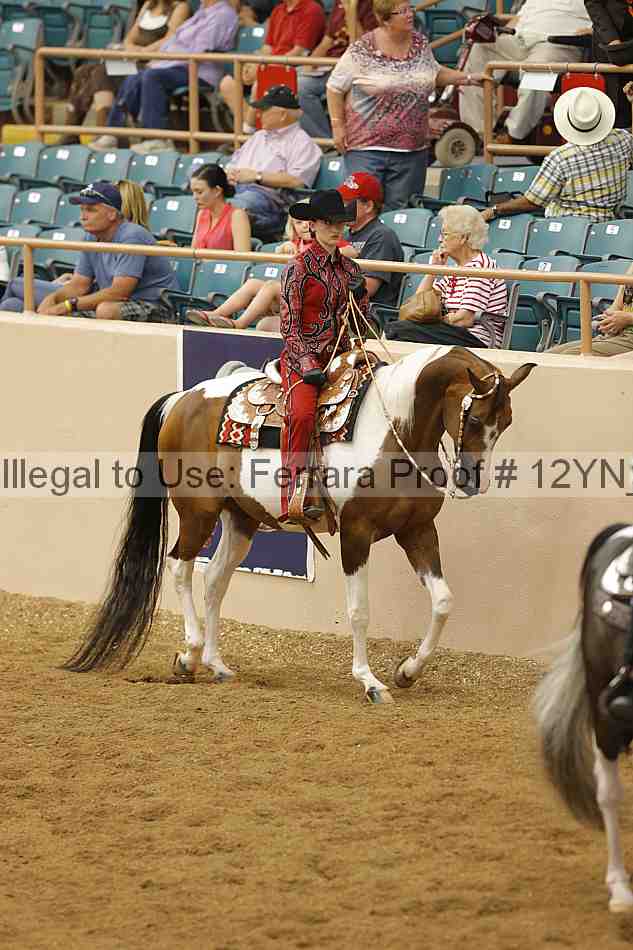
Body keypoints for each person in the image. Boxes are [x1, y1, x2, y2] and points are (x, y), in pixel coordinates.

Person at [325, 0, 484, 211]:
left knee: (404, 215)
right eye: (401, 12)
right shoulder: (362, 49)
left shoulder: (420, 44)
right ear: (384, 20)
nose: (410, 14)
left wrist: (469, 78)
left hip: (412, 150)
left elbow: (433, 73)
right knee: (360, 213)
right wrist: (337, 126)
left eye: (410, 9)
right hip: (367, 149)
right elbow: (334, 87)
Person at [278, 189, 368, 526]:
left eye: (339, 223)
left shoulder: (351, 269)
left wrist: (361, 297)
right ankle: (293, 495)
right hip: (304, 359)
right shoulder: (297, 269)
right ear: (312, 225)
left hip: (343, 355)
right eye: (328, 223)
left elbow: (362, 324)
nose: (335, 229)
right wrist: (306, 363)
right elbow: (289, 326)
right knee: (302, 415)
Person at [3, 182, 178, 321]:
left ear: (112, 214)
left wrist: (66, 305)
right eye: (82, 209)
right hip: (113, 302)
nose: (83, 216)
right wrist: (53, 299)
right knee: (13, 305)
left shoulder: (132, 235)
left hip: (156, 305)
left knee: (105, 310)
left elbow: (120, 292)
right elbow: (79, 285)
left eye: (91, 210)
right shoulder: (91, 236)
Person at [92, 0, 239, 154]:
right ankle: (113, 132)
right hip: (173, 64)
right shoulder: (201, 12)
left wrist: (161, 59)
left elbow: (198, 50)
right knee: (128, 74)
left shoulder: (222, 14)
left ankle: (156, 139)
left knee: (152, 76)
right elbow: (173, 41)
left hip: (198, 71)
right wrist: (157, 58)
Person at [185, 198, 357, 328]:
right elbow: (279, 260)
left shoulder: (328, 241)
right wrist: (282, 250)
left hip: (317, 300)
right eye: (299, 222)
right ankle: (215, 314)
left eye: (309, 222)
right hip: (296, 295)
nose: (305, 226)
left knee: (271, 286)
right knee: (253, 283)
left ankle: (239, 323)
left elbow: (351, 251)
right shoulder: (295, 243)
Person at [481, 86, 633, 223]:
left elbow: (533, 201)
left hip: (564, 227)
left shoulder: (560, 157)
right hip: (607, 222)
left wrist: (494, 210)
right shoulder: (622, 140)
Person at [460, 0, 592, 146]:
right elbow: (520, 18)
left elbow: (606, 22)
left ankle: (513, 134)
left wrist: (593, 31)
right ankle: (480, 134)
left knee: (536, 74)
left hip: (557, 43)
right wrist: (499, 33)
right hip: (520, 39)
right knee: (480, 48)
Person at [62, 0, 190, 145]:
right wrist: (131, 49)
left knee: (101, 71)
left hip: (154, 64)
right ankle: (70, 135)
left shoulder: (180, 7)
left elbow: (170, 40)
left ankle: (108, 133)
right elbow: (129, 38)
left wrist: (144, 51)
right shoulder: (148, 5)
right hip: (134, 60)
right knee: (84, 71)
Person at [385, 204, 507, 348]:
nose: (439, 239)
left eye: (445, 234)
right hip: (455, 332)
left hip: (476, 338)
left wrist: (438, 321)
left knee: (398, 330)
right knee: (397, 328)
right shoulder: (457, 269)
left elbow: (464, 319)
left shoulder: (480, 267)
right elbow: (418, 306)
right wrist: (433, 271)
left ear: (463, 237)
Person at [224, 84, 322, 235]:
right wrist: (228, 172)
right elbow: (233, 162)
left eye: (263, 110)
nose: (258, 115)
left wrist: (257, 176)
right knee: (201, 182)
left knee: (230, 207)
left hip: (268, 200)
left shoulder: (302, 142)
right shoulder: (258, 136)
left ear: (282, 114)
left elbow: (297, 181)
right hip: (234, 188)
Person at [219, 0, 325, 131]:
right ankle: (254, 132)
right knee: (227, 84)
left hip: (293, 68)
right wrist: (253, 64)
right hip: (270, 65)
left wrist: (263, 68)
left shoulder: (312, 9)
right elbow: (267, 47)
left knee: (260, 83)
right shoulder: (278, 10)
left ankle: (248, 133)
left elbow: (299, 53)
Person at [298, 0, 378, 140]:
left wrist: (350, 10)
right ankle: (324, 140)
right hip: (329, 66)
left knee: (303, 86)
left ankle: (332, 141)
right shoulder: (339, 3)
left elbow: (360, 47)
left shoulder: (372, 5)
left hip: (356, 67)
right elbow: (326, 42)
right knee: (291, 81)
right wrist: (309, 64)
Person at [337, 172, 403, 308]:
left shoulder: (382, 236)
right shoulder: (345, 235)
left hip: (369, 312)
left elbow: (367, 288)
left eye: (347, 202)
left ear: (368, 206)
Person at [549, 259, 633, 355]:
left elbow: (626, 317)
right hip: (617, 335)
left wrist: (628, 318)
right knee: (549, 355)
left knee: (570, 355)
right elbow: (619, 303)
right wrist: (608, 318)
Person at [190, 163, 251, 251]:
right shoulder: (201, 214)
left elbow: (242, 257)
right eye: (193, 192)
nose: (194, 197)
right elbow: (193, 252)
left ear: (217, 191)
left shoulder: (237, 216)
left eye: (199, 192)